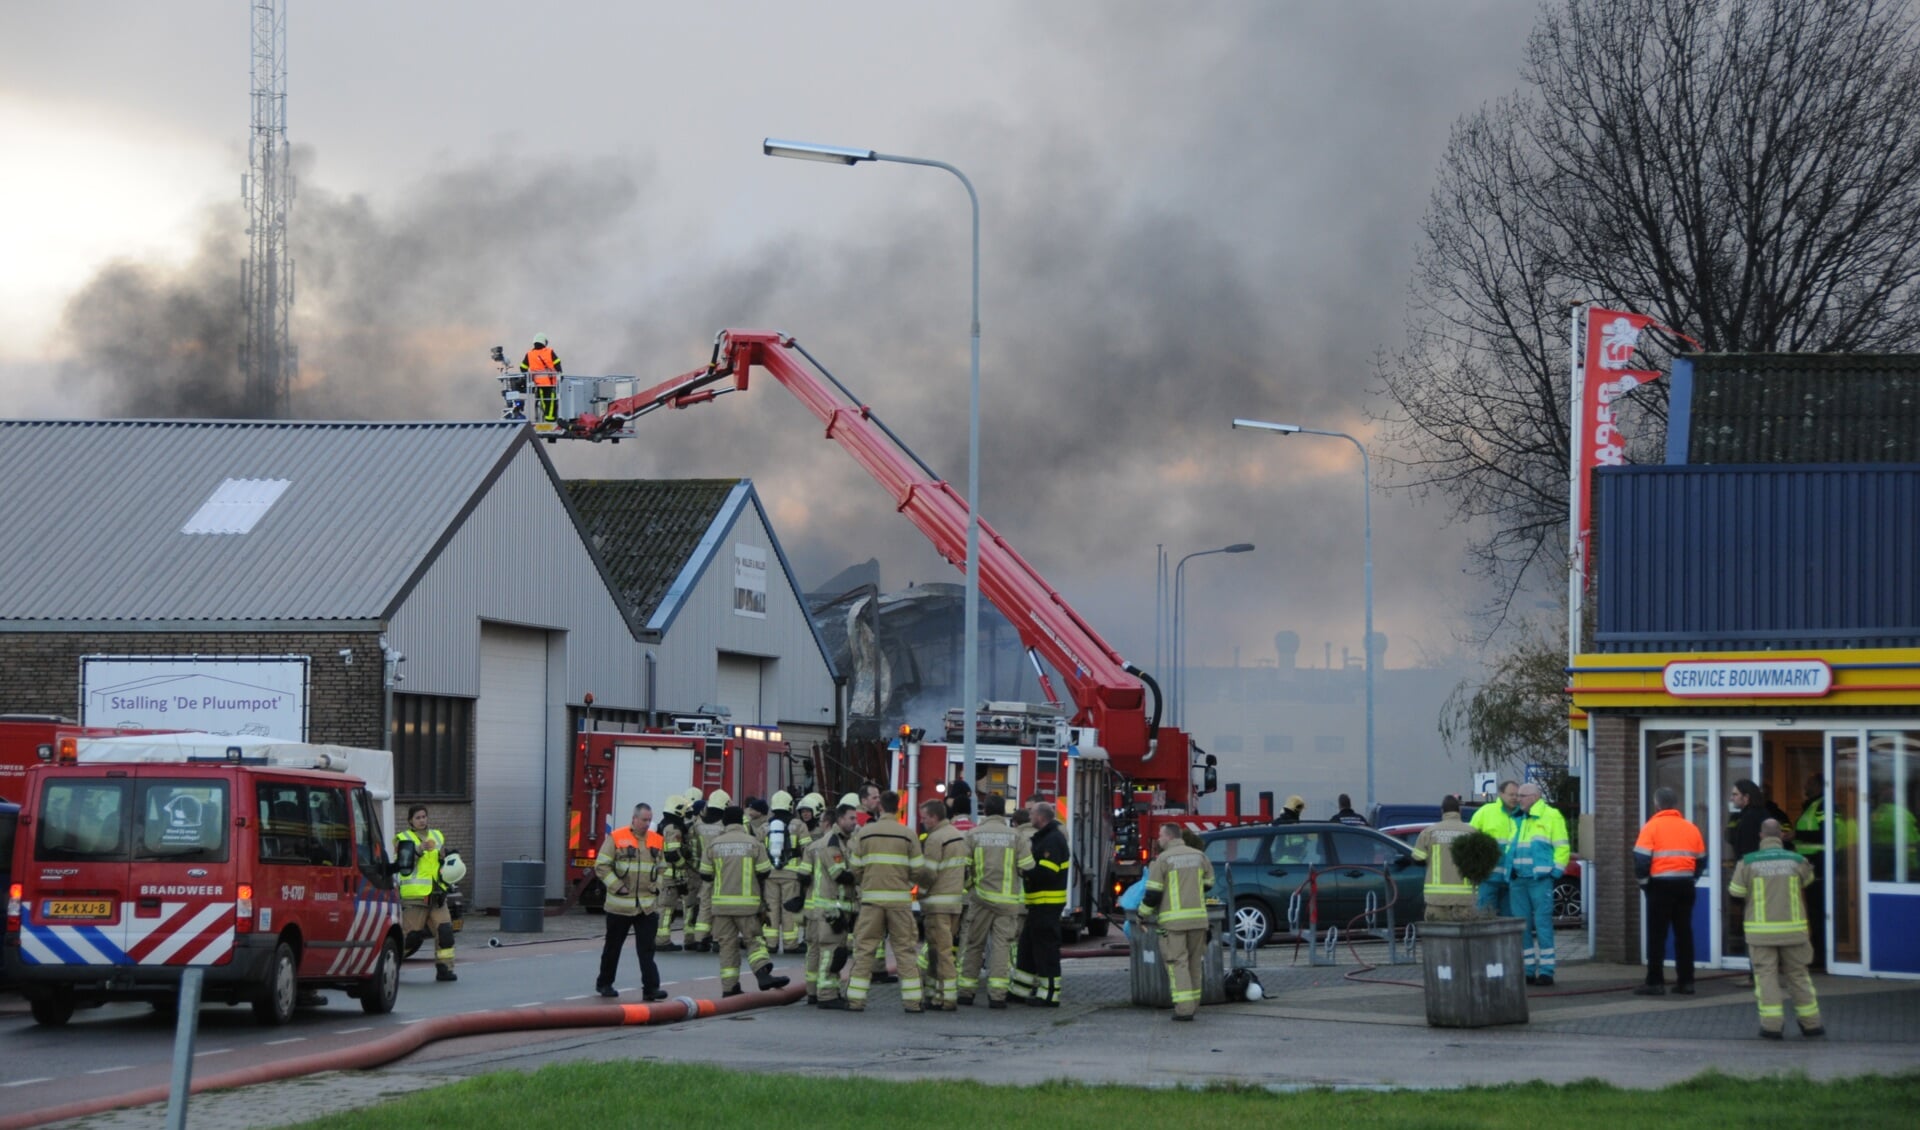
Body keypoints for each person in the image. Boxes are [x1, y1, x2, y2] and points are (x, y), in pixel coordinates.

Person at [1729, 819, 1823, 1039]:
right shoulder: (1797, 860)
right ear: (1781, 835)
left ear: (1761, 836)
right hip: (1794, 931)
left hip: (1761, 933)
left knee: (1766, 978)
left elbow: (1736, 892)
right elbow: (1808, 881)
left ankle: (1772, 1027)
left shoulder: (1748, 862)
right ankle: (1812, 1024)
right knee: (1799, 976)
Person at [845, 790, 926, 1013]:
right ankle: (913, 1002)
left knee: (864, 951)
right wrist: (906, 883)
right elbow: (919, 869)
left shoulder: (865, 834)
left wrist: (867, 882)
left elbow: (855, 867)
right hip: (899, 901)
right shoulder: (907, 834)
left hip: (871, 901)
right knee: (905, 951)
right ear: (898, 807)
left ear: (880, 807)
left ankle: (855, 1000)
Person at [696, 805, 789, 997]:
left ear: (725, 822)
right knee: (754, 941)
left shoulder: (714, 844)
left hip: (721, 907)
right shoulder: (753, 843)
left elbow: (705, 875)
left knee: (727, 946)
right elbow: (765, 871)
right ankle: (762, 974)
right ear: (741, 820)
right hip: (747, 905)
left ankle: (730, 988)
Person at [593, 803, 671, 1001]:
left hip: (646, 906)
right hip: (620, 905)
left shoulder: (656, 840)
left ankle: (651, 988)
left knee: (647, 949)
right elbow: (601, 865)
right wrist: (617, 886)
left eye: (649, 820)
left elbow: (663, 868)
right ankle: (605, 983)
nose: (647, 824)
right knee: (613, 947)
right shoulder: (617, 837)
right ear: (634, 819)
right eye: (644, 820)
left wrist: (658, 886)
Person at [1634, 786, 1707, 996]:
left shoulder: (1651, 827)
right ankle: (1686, 981)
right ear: (1675, 804)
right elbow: (1701, 859)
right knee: (1684, 933)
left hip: (1659, 886)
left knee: (1657, 935)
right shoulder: (1690, 827)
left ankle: (1655, 982)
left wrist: (1645, 883)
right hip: (1684, 886)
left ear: (1657, 804)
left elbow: (1641, 860)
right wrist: (1691, 878)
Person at [958, 794, 1029, 1008]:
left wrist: (971, 886)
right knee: (1001, 947)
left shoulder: (973, 835)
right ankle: (997, 996)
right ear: (1004, 812)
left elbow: (963, 867)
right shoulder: (1015, 836)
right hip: (1007, 903)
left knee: (973, 945)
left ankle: (966, 993)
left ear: (985, 811)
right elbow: (1027, 866)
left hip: (980, 900)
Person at [1140, 821, 1215, 1021]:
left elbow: (1153, 893)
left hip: (1174, 923)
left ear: (1169, 837)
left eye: (1160, 835)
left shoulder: (1163, 860)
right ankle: (1194, 1005)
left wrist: (1142, 914)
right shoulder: (1199, 856)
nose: (1158, 839)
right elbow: (1209, 883)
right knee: (1194, 964)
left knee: (1177, 964)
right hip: (1198, 920)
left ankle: (1184, 1009)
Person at [798, 798, 861, 1008]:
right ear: (840, 819)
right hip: (831, 909)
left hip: (821, 908)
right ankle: (827, 995)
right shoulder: (831, 843)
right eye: (851, 818)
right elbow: (839, 874)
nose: (855, 822)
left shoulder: (836, 841)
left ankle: (813, 992)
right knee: (831, 952)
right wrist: (862, 872)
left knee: (816, 951)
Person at [1510, 782, 1570, 986]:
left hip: (1539, 880)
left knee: (1543, 925)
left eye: (1522, 796)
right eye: (1517, 795)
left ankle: (1546, 971)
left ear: (1534, 797)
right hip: (1518, 880)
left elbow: (1562, 847)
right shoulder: (1518, 818)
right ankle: (1527, 970)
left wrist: (1555, 872)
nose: (1518, 799)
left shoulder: (1551, 816)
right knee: (1522, 926)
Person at [1012, 796, 1069, 1007]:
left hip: (1047, 904)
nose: (1029, 817)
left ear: (1041, 817)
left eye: (1032, 813)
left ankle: (1049, 995)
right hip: (1038, 904)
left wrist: (1026, 872)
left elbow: (1048, 871)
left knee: (1046, 951)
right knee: (1027, 947)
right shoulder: (1045, 837)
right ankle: (1020, 990)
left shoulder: (1052, 840)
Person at [917, 799, 970, 1011]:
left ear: (934, 817)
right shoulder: (956, 834)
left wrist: (919, 893)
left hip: (937, 903)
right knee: (941, 950)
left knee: (941, 952)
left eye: (924, 818)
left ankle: (947, 997)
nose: (922, 822)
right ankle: (935, 994)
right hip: (954, 903)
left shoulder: (935, 838)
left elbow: (929, 873)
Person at [395, 804, 458, 982]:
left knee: (445, 932)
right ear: (410, 820)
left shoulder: (437, 835)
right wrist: (417, 850)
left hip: (437, 895)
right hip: (415, 897)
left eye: (424, 816)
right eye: (418, 817)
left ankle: (445, 969)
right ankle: (389, 964)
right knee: (411, 938)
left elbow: (440, 863)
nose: (422, 820)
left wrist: (447, 856)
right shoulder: (402, 838)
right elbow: (400, 862)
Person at [1410, 795, 1477, 921]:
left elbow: (1417, 859)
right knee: (1465, 938)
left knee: (1437, 936)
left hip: (1437, 899)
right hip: (1465, 900)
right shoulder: (1472, 833)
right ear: (1460, 811)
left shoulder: (1429, 832)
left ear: (1442, 811)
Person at [760, 791, 805, 955]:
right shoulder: (798, 825)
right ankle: (790, 944)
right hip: (792, 874)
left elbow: (759, 849)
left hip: (770, 873)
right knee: (788, 910)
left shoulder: (765, 826)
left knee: (771, 908)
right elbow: (806, 849)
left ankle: (770, 944)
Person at [685, 788, 730, 952]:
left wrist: (697, 867)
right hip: (723, 870)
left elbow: (694, 848)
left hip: (704, 869)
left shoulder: (698, 824)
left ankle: (700, 939)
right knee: (719, 905)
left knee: (704, 904)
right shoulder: (724, 825)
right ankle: (717, 939)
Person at [1470, 780, 1523, 916]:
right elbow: (1470, 841)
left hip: (1513, 879)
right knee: (1485, 919)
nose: (1514, 798)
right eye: (1511, 794)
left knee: (1510, 922)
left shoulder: (1523, 815)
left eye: (1517, 795)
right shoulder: (1485, 812)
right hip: (1489, 877)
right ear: (1501, 794)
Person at [1792, 774, 1827, 969]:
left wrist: (1797, 835)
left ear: (1819, 786)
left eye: (1809, 783)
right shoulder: (1812, 805)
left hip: (1819, 865)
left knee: (1817, 912)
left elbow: (1825, 832)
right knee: (1813, 912)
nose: (1805, 785)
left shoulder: (1822, 805)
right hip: (1809, 865)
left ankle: (1820, 957)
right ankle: (1817, 955)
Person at [653, 794, 691, 952]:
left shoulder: (664, 825)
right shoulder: (673, 829)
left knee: (663, 908)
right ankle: (662, 941)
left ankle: (659, 938)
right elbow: (672, 854)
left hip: (665, 875)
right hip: (670, 877)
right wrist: (684, 866)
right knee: (666, 909)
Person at [520, 333, 563, 422]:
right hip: (551, 384)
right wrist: (560, 375)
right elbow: (557, 364)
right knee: (551, 402)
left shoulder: (529, 354)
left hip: (538, 384)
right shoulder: (549, 352)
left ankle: (547, 419)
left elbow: (523, 367)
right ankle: (550, 420)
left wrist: (530, 377)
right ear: (544, 342)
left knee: (543, 402)